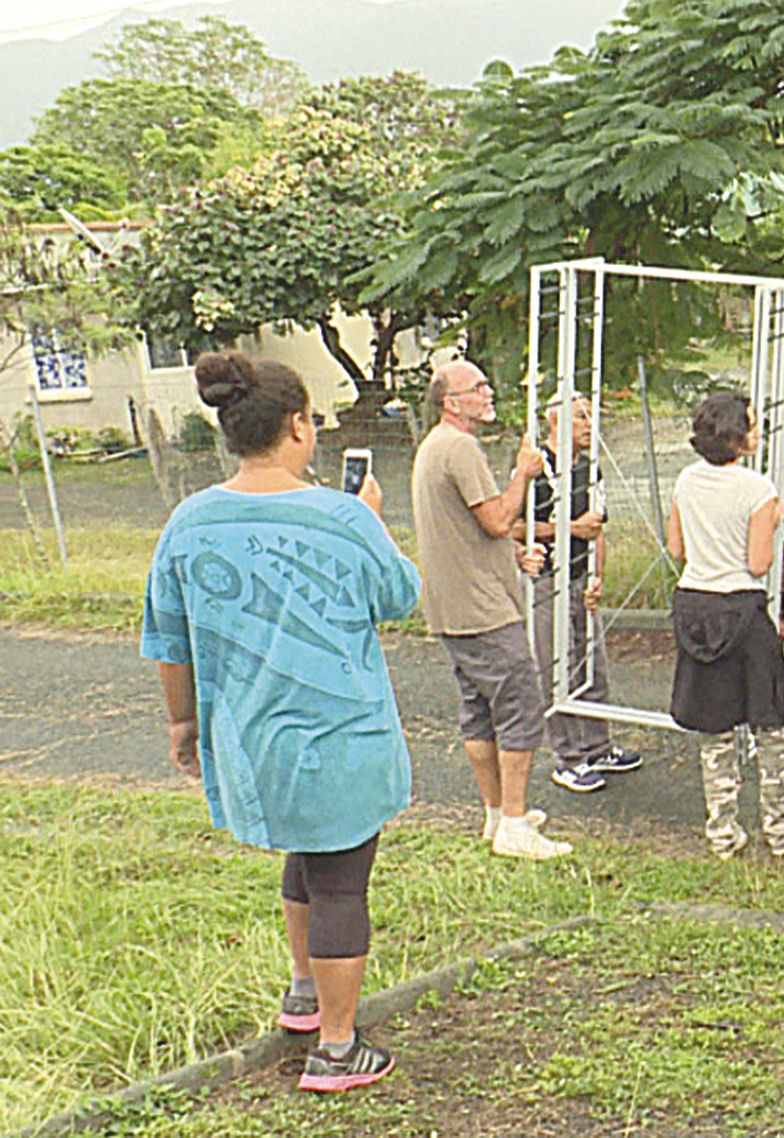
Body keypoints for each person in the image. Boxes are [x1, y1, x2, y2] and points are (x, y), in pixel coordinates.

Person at [142, 351, 420, 1092]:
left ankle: (303, 993)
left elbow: (169, 639)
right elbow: (399, 597)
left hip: (251, 737)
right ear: (298, 426)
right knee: (341, 883)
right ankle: (337, 1046)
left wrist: (182, 724)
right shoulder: (341, 514)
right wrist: (371, 521)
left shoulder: (189, 521)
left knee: (306, 858)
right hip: (340, 739)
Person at [411, 359, 570, 860]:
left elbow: (471, 530)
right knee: (520, 705)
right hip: (483, 611)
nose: (488, 392)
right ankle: (516, 825)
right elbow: (499, 518)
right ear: (450, 402)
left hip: (453, 606)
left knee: (478, 711)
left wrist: (516, 558)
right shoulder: (459, 448)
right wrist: (523, 474)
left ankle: (497, 814)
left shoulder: (435, 447)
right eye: (476, 387)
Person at [666, 390, 784, 861]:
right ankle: (782, 829)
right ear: (736, 437)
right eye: (753, 426)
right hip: (740, 607)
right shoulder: (758, 490)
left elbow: (677, 549)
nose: (759, 433)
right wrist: (773, 522)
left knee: (714, 728)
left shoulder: (686, 480)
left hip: (694, 604)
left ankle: (722, 831)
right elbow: (758, 563)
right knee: (767, 718)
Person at [524, 394, 644, 793]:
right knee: (556, 666)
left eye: (593, 417)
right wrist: (569, 529)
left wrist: (598, 578)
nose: (590, 425)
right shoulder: (536, 468)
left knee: (593, 664)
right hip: (547, 580)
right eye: (581, 417)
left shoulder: (590, 470)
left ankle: (597, 745)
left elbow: (598, 529)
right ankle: (568, 757)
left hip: (580, 577)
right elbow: (512, 528)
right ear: (555, 421)